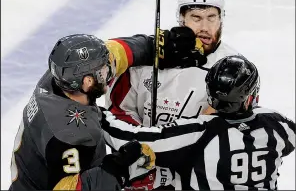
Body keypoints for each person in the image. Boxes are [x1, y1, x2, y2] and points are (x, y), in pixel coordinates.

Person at [104, 0, 241, 188]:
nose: (205, 27)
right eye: (196, 18)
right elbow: (119, 111)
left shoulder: (234, 69)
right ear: (181, 19)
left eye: (212, 17)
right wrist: (142, 155)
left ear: (221, 19)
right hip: (141, 173)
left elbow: (226, 133)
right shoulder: (149, 58)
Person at [101, 55, 296, 190]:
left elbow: (128, 138)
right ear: (251, 97)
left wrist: (99, 115)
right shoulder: (279, 125)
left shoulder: (198, 131)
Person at [9, 34, 157, 190]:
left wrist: (153, 45)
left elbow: (111, 55)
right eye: (103, 71)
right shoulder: (69, 135)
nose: (108, 71)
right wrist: (119, 168)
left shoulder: (57, 78)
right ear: (88, 82)